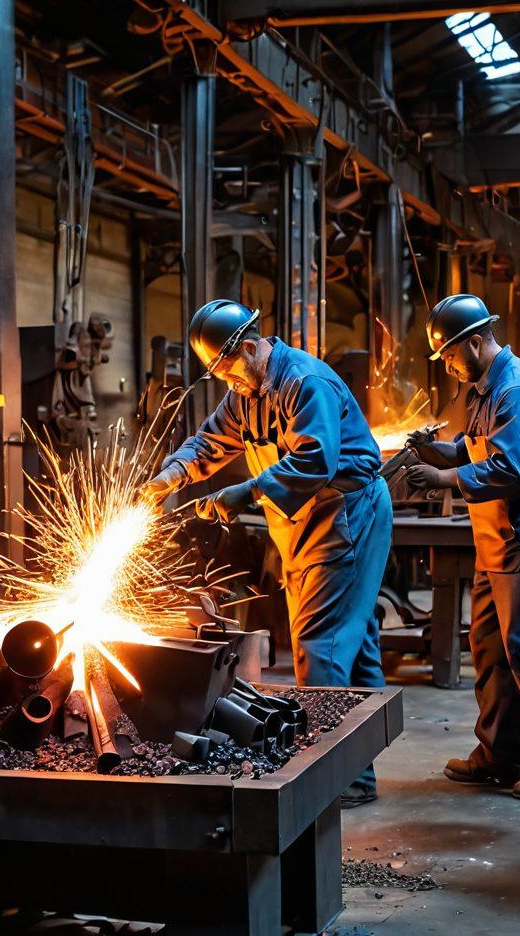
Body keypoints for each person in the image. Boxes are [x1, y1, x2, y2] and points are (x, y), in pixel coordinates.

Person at [145, 299, 392, 808]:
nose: (228, 384)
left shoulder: (304, 383)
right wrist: (171, 475)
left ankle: (331, 778)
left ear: (252, 348)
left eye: (230, 371)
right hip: (303, 522)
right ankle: (357, 774)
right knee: (356, 642)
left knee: (320, 646)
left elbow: (315, 462)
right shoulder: (246, 391)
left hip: (344, 514)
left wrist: (244, 493)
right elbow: (210, 442)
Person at [405, 294, 520, 801]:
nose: (447, 365)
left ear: (476, 341)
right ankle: (499, 754)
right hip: (497, 537)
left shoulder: (517, 389)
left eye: (448, 355)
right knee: (489, 646)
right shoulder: (484, 389)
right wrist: (441, 450)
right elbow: (478, 447)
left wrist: (443, 476)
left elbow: (512, 467)